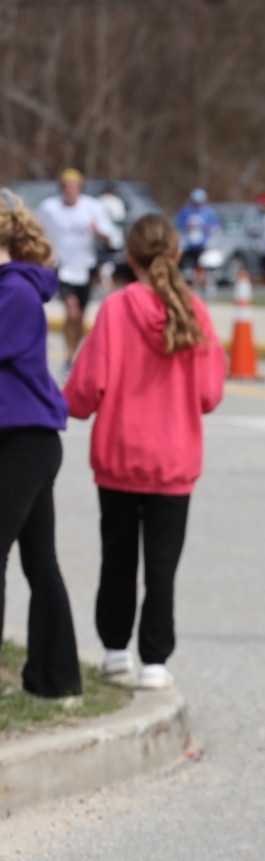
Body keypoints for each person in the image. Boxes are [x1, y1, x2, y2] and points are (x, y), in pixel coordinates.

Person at [64, 214, 225, 689]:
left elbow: (86, 388)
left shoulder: (115, 309)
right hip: (174, 460)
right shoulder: (193, 310)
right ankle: (155, 659)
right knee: (162, 566)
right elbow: (209, 394)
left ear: (129, 257)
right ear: (176, 254)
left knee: (117, 558)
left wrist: (65, 403)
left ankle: (116, 651)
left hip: (118, 456)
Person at [0, 189, 81, 698]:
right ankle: (55, 678)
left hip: (25, 443)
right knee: (39, 560)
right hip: (20, 440)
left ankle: (55, 675)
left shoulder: (14, 292)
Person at [37, 169, 113, 376]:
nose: (70, 190)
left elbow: (109, 237)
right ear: (61, 188)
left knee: (80, 315)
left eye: (74, 186)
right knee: (72, 311)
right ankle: (69, 355)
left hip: (86, 266)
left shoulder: (92, 207)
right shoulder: (50, 208)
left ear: (80, 188)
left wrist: (99, 233)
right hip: (61, 265)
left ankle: (73, 354)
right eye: (66, 186)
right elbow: (37, 231)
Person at [174, 189, 220, 290]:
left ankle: (205, 283)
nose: (198, 205)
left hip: (203, 245)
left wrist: (208, 228)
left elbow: (215, 227)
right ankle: (188, 284)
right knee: (188, 267)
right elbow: (178, 224)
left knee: (204, 265)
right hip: (188, 246)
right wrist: (187, 225)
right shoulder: (186, 211)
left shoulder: (208, 212)